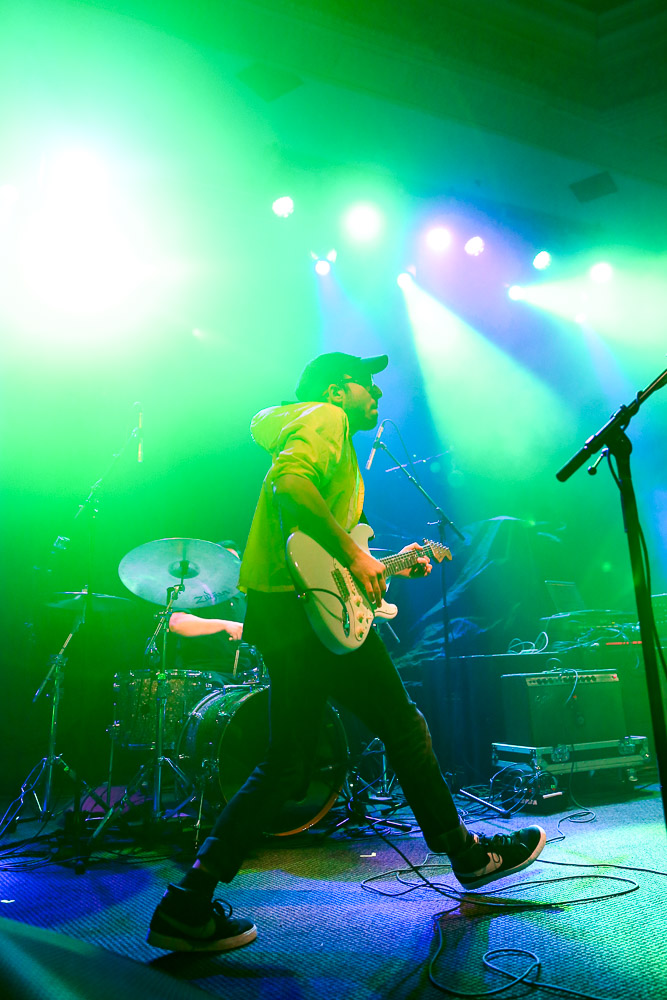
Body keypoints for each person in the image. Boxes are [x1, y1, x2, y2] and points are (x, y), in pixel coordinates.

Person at [147, 351, 546, 953]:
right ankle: (468, 856)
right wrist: (358, 557)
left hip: (285, 610)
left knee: (287, 760)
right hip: (299, 611)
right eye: (369, 386)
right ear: (339, 389)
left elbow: (318, 548)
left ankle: (188, 902)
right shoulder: (325, 418)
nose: (378, 397)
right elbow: (291, 485)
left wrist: (376, 567)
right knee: (402, 726)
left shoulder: (319, 431)